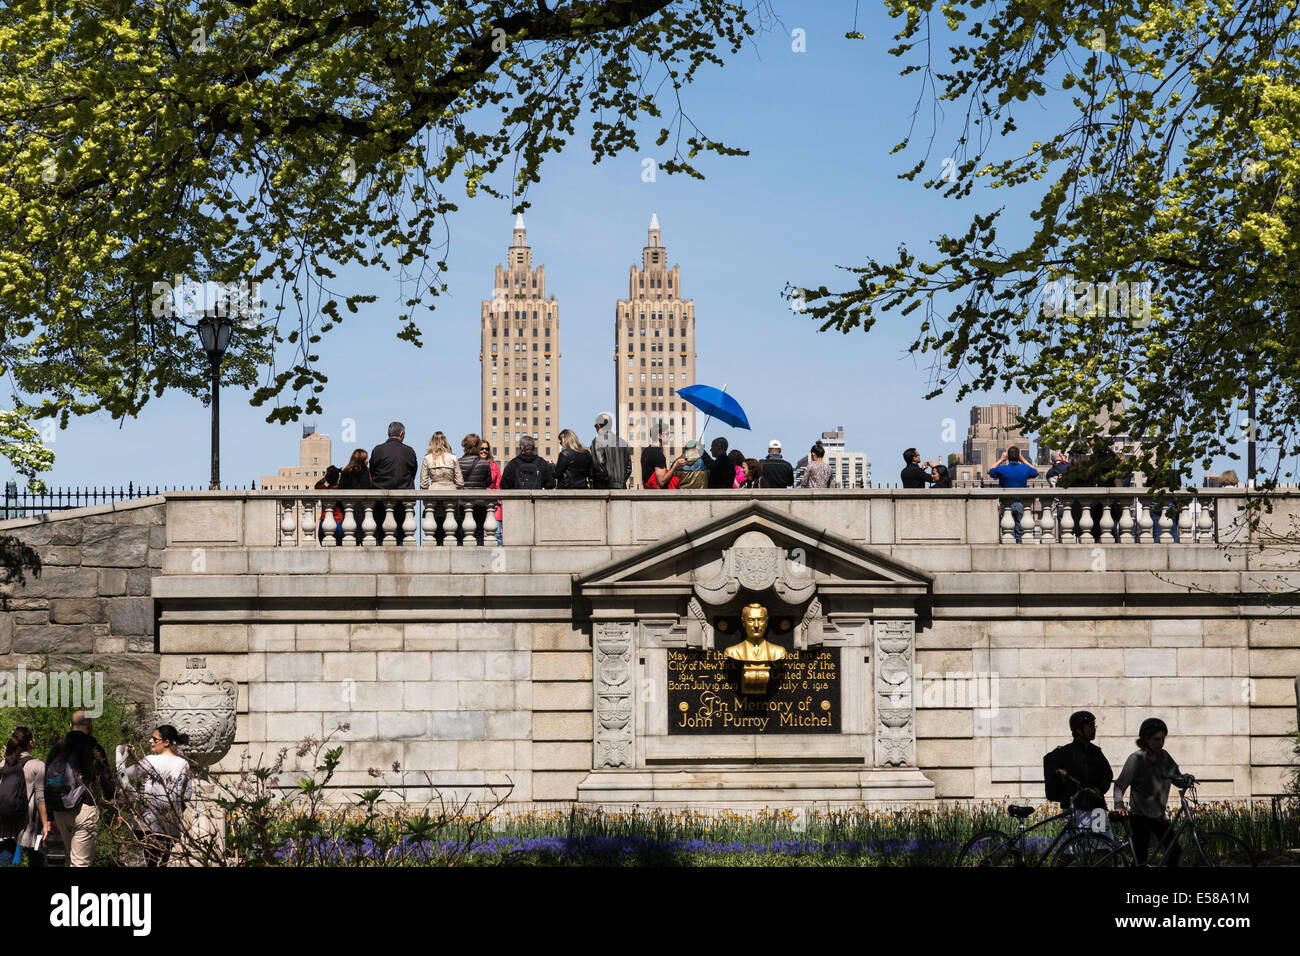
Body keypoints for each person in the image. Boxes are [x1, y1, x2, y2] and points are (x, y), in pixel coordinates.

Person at [1113, 717, 1194, 866]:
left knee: (1176, 853)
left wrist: (1186, 779)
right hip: (1140, 817)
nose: (1161, 743)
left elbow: (1176, 778)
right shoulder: (1136, 759)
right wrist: (1119, 805)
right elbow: (1119, 785)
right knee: (1140, 860)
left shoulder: (1164, 757)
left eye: (1163, 739)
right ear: (1146, 739)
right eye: (1157, 739)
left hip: (1158, 817)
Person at [44, 711, 115, 868]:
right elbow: (106, 780)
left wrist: (50, 816)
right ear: (90, 726)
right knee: (80, 863)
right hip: (84, 808)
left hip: (60, 810)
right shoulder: (94, 748)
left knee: (71, 859)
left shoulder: (58, 748)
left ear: (70, 726)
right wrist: (113, 806)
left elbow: (46, 782)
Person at [116, 725, 193, 868]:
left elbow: (122, 775)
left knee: (151, 861)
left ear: (166, 742)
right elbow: (187, 794)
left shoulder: (151, 761)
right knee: (162, 862)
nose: (151, 741)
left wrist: (122, 753)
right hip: (171, 824)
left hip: (148, 823)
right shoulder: (184, 763)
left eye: (154, 739)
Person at [1043, 711, 1114, 838]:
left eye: (1094, 726)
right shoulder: (1066, 751)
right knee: (1072, 849)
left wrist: (1100, 789)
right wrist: (1057, 771)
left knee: (1103, 846)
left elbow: (1107, 774)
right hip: (1075, 807)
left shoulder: (1096, 752)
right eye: (1090, 726)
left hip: (1096, 808)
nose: (1093, 729)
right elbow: (1049, 761)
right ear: (1078, 730)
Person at [0, 727, 47, 867]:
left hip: (5, 819)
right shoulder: (37, 766)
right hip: (28, 823)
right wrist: (45, 824)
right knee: (35, 859)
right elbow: (40, 798)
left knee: (5, 857)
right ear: (30, 742)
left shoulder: (3, 764)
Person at [371, 422, 418, 544]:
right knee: (403, 537)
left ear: (389, 433)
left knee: (381, 536)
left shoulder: (377, 450)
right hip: (403, 501)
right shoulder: (409, 451)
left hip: (381, 501)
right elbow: (413, 473)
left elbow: (373, 472)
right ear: (401, 434)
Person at [420, 431, 464, 546]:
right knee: (450, 532)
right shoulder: (453, 458)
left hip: (433, 497)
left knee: (435, 532)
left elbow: (423, 484)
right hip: (451, 496)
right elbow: (460, 482)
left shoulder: (427, 458)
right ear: (445, 442)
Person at [988, 446, 1039, 543]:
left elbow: (989, 470)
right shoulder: (1025, 468)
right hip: (1020, 504)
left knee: (1008, 532)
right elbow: (1036, 472)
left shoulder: (1002, 469)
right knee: (1020, 531)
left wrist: (1001, 459)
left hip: (1006, 504)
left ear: (1008, 457)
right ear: (1018, 456)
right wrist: (1023, 459)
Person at [457, 433, 493, 546]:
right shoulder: (484, 463)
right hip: (480, 503)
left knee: (462, 533)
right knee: (479, 533)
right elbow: (488, 482)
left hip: (463, 502)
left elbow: (457, 482)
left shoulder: (459, 462)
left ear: (464, 446)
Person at [337, 448, 372, 544]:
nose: (367, 460)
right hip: (365, 512)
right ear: (361, 460)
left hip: (349, 512)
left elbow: (339, 494)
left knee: (349, 545)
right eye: (366, 458)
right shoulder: (367, 472)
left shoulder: (345, 472)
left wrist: (345, 508)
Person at [590, 413, 632, 489]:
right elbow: (629, 468)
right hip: (621, 487)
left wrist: (607, 482)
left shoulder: (598, 441)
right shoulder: (623, 442)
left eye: (595, 426)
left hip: (605, 488)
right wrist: (620, 481)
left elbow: (599, 464)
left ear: (599, 425)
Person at [480, 441, 504, 546]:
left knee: (498, 533)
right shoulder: (476, 463)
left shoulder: (494, 465)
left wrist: (499, 500)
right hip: (480, 502)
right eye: (482, 448)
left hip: (494, 502)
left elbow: (499, 483)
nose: (484, 451)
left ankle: (500, 560)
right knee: (479, 534)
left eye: (486, 449)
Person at [313, 465, 344, 546]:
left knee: (324, 546)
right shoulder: (340, 489)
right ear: (337, 477)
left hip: (324, 521)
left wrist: (326, 477)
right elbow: (346, 482)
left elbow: (317, 485)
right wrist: (342, 472)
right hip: (338, 521)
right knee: (339, 548)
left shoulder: (324, 490)